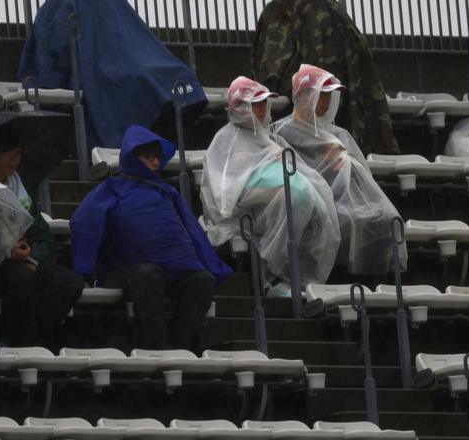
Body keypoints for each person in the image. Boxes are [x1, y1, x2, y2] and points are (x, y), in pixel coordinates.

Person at [16, 0, 206, 148]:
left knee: (178, 77)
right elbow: (50, 52)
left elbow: (134, 41)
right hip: (101, 73)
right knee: (141, 81)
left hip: (124, 67)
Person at [71, 125, 233, 350]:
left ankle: (180, 348)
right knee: (146, 274)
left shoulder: (167, 191)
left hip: (176, 269)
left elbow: (192, 231)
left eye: (157, 157)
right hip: (127, 268)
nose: (156, 163)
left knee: (203, 281)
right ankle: (157, 348)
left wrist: (213, 267)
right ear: (132, 156)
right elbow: (84, 223)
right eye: (149, 157)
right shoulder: (111, 188)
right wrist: (83, 270)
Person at [252, 0, 400, 156]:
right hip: (314, 106)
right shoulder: (279, 10)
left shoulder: (327, 3)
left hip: (350, 98)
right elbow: (273, 64)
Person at [199, 77, 340, 294]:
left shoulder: (268, 138)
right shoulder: (225, 141)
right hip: (249, 212)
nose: (262, 109)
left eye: (264, 103)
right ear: (241, 106)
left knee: (317, 202)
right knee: (295, 196)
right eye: (255, 104)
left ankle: (301, 280)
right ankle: (273, 274)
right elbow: (224, 195)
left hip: (286, 205)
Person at [273, 65, 405, 275]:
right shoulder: (282, 132)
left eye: (329, 96)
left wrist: (345, 161)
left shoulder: (340, 135)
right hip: (313, 202)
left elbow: (362, 176)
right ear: (304, 95)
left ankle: (373, 284)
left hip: (349, 200)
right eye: (321, 94)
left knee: (386, 218)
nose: (326, 102)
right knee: (339, 220)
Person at [0, 126, 85, 348]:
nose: (14, 159)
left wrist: (35, 260)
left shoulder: (19, 189)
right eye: (7, 152)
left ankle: (38, 338)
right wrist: (6, 253)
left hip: (22, 263)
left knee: (71, 282)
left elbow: (42, 236)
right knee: (22, 278)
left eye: (19, 153)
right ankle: (23, 343)